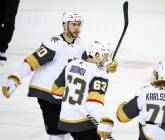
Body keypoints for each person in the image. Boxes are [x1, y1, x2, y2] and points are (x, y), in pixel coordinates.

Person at [2, 12, 117, 140]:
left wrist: (107, 64)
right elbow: (31, 61)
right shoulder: (54, 43)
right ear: (64, 25)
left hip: (63, 93)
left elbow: (90, 63)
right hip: (47, 93)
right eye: (73, 24)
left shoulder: (80, 44)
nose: (77, 28)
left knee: (69, 129)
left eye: (79, 25)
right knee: (58, 134)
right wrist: (15, 78)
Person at [51, 40, 114, 140]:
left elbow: (56, 92)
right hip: (82, 123)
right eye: (106, 56)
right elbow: (93, 104)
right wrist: (102, 120)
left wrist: (71, 92)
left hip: (65, 120)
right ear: (97, 55)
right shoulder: (100, 74)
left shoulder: (71, 64)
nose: (108, 60)